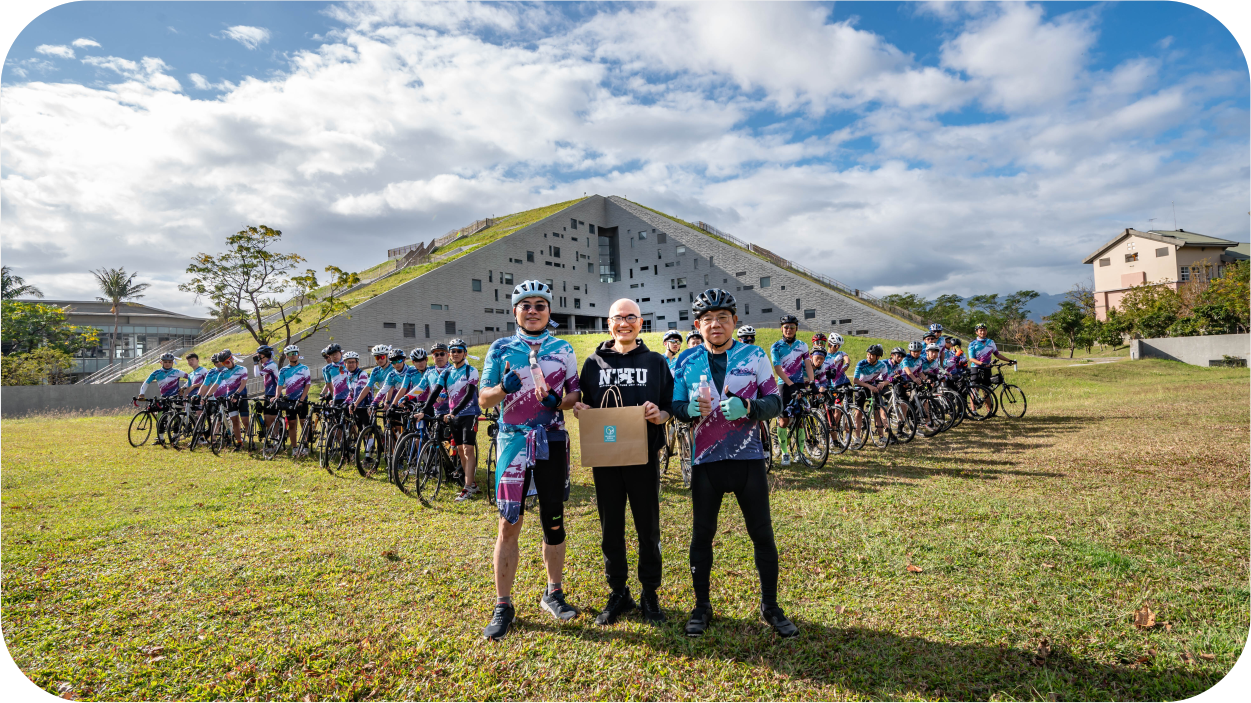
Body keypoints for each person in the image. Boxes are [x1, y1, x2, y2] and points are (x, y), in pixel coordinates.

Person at [672, 289, 794, 638]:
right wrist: (687, 410)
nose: (716, 324)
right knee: (702, 536)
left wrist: (750, 407)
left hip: (748, 460)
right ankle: (701, 606)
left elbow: (775, 403)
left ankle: (770, 606)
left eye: (723, 318)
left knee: (762, 534)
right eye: (708, 319)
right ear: (698, 325)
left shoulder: (754, 355)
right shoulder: (686, 360)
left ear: (734, 322)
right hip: (705, 462)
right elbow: (674, 405)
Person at [479, 280, 582, 640]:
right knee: (509, 523)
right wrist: (503, 388)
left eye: (540, 305)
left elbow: (574, 394)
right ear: (515, 312)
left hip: (551, 439)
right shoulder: (501, 348)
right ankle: (503, 605)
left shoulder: (563, 348)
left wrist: (557, 402)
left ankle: (553, 593)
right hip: (513, 442)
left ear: (549, 311)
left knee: (553, 521)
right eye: (526, 305)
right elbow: (483, 400)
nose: (533, 311)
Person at [571, 299, 673, 627]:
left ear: (641, 323)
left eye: (631, 317)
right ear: (609, 322)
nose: (624, 323)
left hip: (643, 457)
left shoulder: (656, 362)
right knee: (610, 528)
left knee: (648, 527)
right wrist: (581, 411)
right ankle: (618, 591)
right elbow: (585, 406)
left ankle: (649, 592)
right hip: (606, 459)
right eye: (618, 317)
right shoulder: (593, 363)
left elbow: (670, 405)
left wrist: (660, 414)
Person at [419, 339, 481, 502]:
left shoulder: (471, 370)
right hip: (454, 416)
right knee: (460, 450)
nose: (455, 353)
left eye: (459, 351)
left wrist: (453, 412)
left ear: (465, 353)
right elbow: (435, 392)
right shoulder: (446, 373)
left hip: (470, 414)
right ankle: (471, 483)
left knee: (468, 449)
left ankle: (467, 488)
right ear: (449, 354)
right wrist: (424, 410)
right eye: (453, 351)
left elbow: (469, 394)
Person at [770, 314, 814, 467]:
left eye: (792, 327)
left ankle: (800, 453)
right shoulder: (776, 346)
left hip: (800, 383)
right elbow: (777, 368)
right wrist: (790, 384)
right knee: (783, 421)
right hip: (784, 385)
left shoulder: (802, 345)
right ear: (782, 328)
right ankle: (785, 453)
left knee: (800, 421)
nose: (789, 330)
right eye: (786, 327)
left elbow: (808, 365)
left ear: (796, 329)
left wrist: (812, 382)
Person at [206, 349, 250, 449]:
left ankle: (251, 440)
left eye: (226, 362)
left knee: (245, 421)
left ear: (232, 359)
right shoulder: (223, 372)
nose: (225, 365)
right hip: (229, 398)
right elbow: (215, 385)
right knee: (235, 421)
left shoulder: (242, 369)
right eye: (223, 363)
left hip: (241, 397)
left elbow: (243, 383)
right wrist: (207, 396)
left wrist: (237, 393)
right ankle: (239, 443)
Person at [277, 345, 312, 455]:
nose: (293, 356)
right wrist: (277, 396)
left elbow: (308, 384)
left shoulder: (304, 368)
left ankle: (305, 445)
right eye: (290, 354)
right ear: (286, 356)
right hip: (289, 401)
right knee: (292, 424)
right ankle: (294, 448)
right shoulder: (283, 370)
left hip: (302, 400)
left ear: (298, 354)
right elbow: (279, 385)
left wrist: (302, 399)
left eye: (295, 353)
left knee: (303, 423)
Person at [853, 344, 890, 442]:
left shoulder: (882, 365)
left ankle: (881, 437)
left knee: (877, 411)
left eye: (872, 355)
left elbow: (887, 380)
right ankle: (857, 438)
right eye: (868, 354)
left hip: (873, 388)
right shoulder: (861, 363)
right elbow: (855, 380)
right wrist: (868, 386)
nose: (869, 357)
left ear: (878, 357)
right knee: (858, 412)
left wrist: (883, 383)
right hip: (860, 387)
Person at [253, 345, 280, 439]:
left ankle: (276, 438)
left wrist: (255, 363)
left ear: (266, 355)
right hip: (268, 394)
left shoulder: (272, 365)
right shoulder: (266, 365)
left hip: (275, 394)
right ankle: (272, 437)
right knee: (267, 419)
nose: (258, 357)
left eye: (259, 355)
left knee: (273, 418)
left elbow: (257, 375)